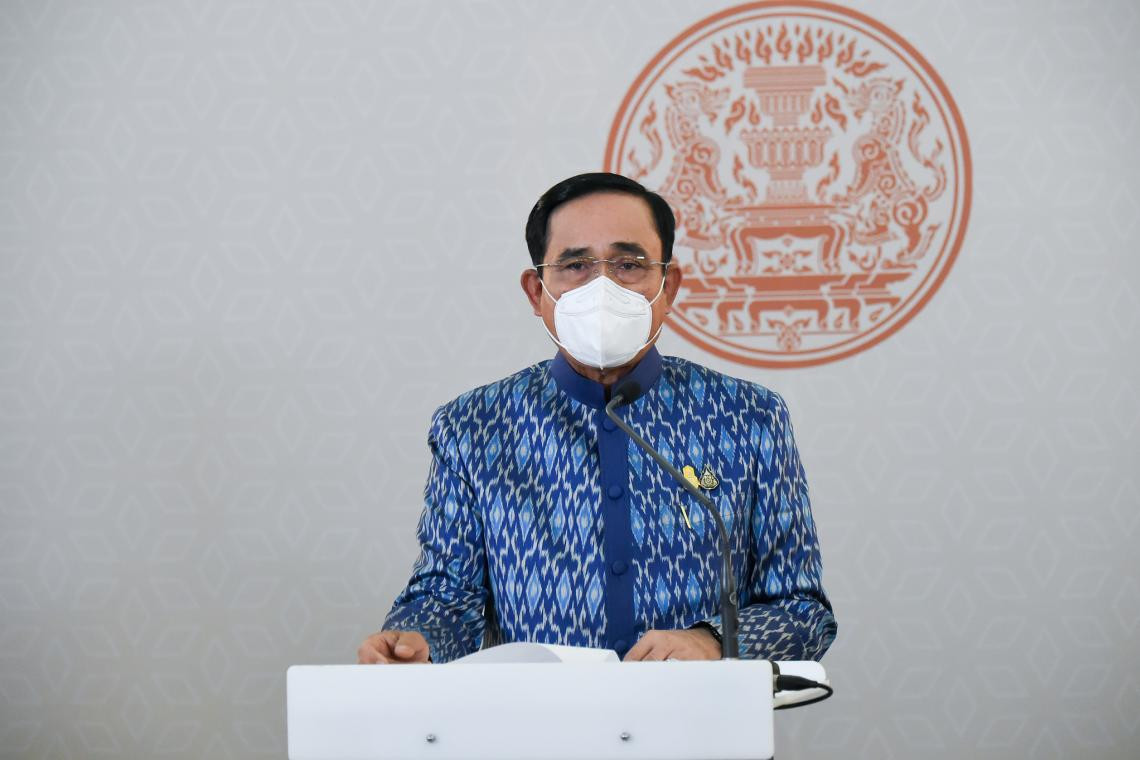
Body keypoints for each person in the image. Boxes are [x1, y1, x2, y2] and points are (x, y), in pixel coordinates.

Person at [358, 172, 836, 664]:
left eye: (629, 264)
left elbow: (803, 612)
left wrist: (713, 642)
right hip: (538, 713)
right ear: (536, 292)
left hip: (700, 712)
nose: (602, 287)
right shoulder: (473, 428)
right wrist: (417, 641)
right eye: (576, 265)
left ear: (668, 286)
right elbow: (446, 597)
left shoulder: (748, 417)